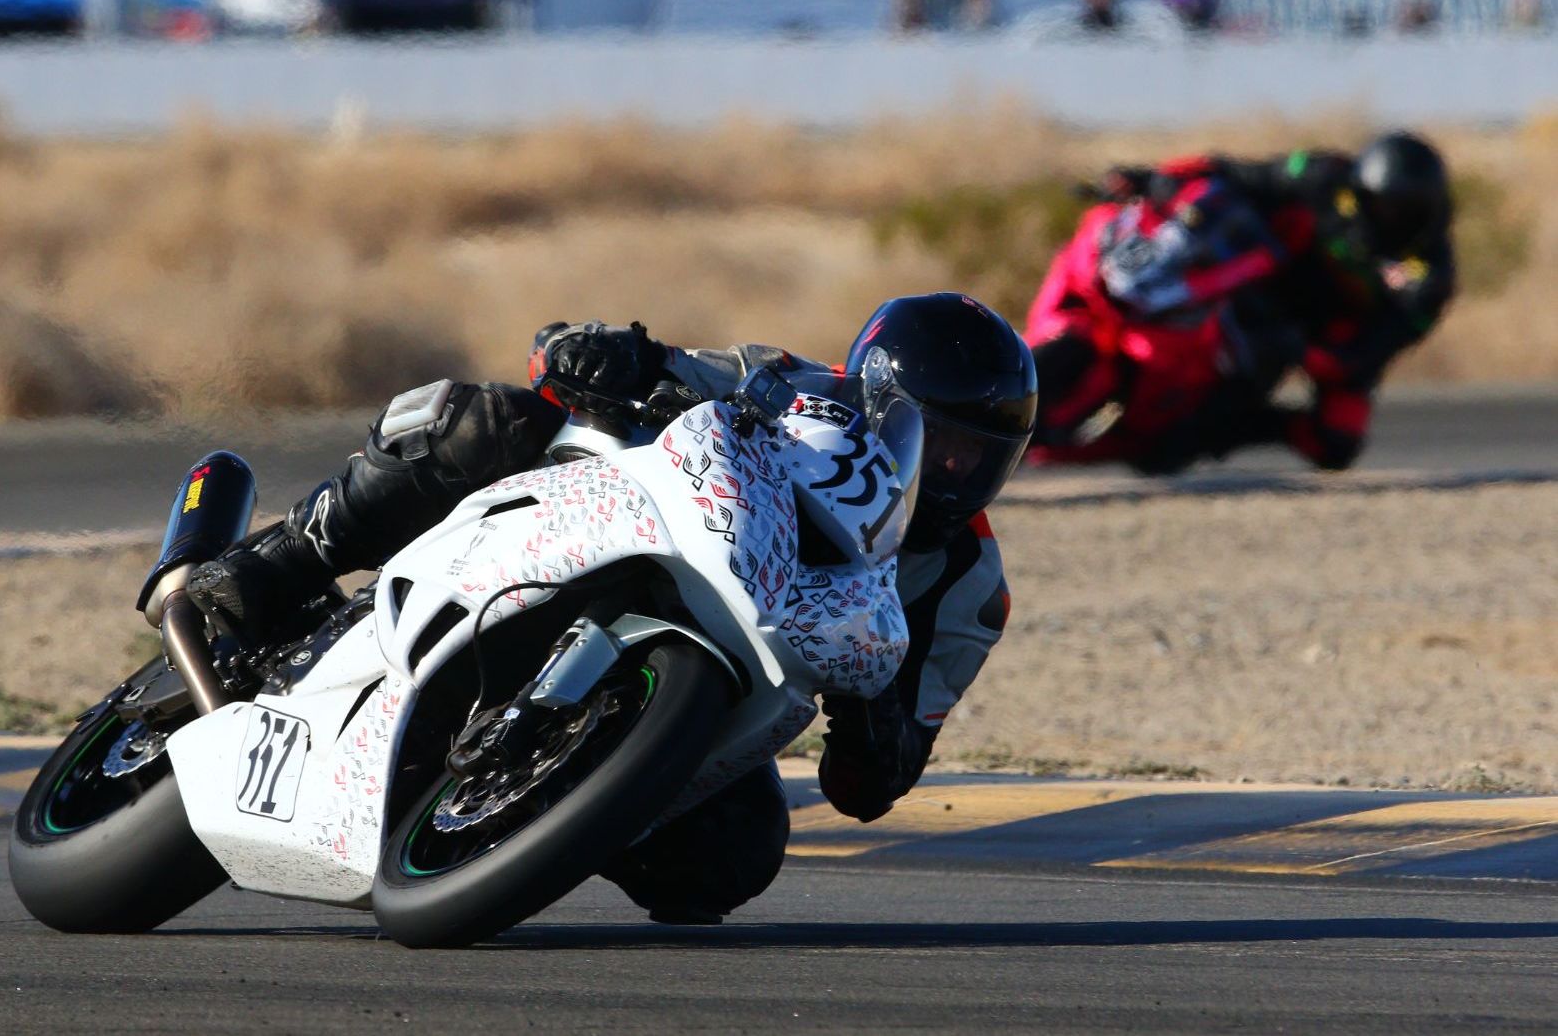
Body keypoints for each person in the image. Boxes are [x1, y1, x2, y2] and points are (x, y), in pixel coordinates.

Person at [184, 293, 1036, 924]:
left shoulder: (970, 588)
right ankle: (287, 558)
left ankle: (559, 810)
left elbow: (872, 787)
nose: (955, 472)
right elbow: (590, 362)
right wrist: (604, 356)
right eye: (942, 441)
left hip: (724, 684)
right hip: (610, 534)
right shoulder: (783, 382)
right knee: (485, 420)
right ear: (881, 400)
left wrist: (872, 714)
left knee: (731, 861)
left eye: (981, 454)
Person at [1094, 131, 1456, 472]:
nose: (1389, 217)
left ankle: (1240, 427)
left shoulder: (1431, 278)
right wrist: (1154, 178)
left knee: (1336, 442)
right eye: (1379, 204)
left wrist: (1305, 351)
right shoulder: (1323, 175)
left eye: (1404, 210)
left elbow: (1374, 350)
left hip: (1330, 338)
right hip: (1266, 282)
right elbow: (1238, 173)